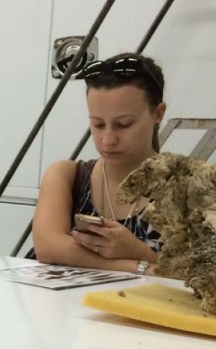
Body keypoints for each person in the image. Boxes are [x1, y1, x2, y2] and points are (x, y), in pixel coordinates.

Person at [29, 53, 166, 275]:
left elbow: (194, 277)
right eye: (98, 124)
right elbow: (49, 248)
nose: (108, 140)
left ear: (158, 114)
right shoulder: (67, 175)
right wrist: (141, 265)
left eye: (124, 124)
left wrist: (135, 249)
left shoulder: (185, 190)